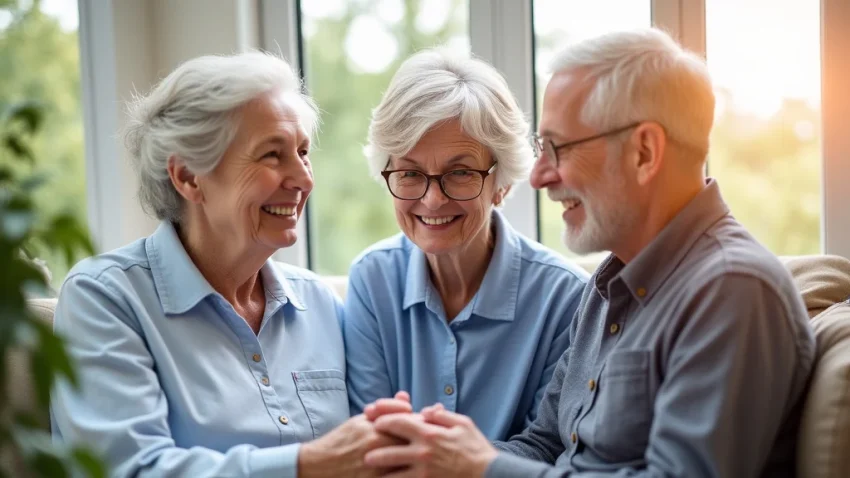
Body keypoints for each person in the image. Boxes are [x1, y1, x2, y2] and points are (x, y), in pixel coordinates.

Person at [360, 27, 817, 478]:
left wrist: (480, 467)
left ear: (644, 152)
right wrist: (433, 455)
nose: (538, 177)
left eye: (558, 148)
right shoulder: (609, 288)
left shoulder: (731, 290)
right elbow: (546, 442)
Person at [50, 51, 410, 477]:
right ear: (187, 176)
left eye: (303, 151)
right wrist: (307, 464)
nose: (304, 178)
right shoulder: (106, 299)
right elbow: (130, 469)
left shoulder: (321, 303)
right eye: (272, 155)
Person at [343, 48, 589, 441]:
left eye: (460, 172)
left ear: (502, 182)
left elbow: (545, 449)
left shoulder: (565, 298)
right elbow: (373, 441)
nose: (432, 200)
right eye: (409, 172)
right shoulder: (372, 281)